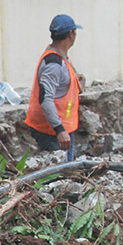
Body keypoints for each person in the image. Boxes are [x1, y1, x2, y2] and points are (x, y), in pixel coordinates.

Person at [24, 14, 83, 161]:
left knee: (66, 172)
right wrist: (59, 130)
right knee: (58, 176)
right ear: (70, 34)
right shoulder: (53, 64)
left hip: (62, 129)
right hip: (52, 132)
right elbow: (46, 99)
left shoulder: (61, 58)